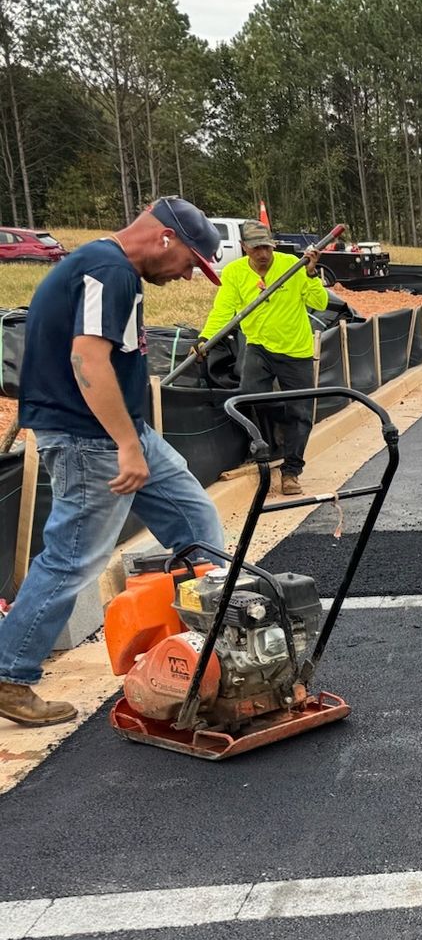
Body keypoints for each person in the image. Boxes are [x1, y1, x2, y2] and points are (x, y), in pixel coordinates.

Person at [0, 197, 226, 727]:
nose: (189, 277)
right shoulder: (110, 270)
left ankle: (207, 648)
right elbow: (87, 358)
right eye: (191, 263)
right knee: (74, 556)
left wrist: (133, 437)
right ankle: (10, 673)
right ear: (165, 239)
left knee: (197, 523)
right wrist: (126, 444)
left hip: (121, 431)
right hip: (90, 439)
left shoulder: (107, 268)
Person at [198, 221, 328, 496]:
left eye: (267, 247)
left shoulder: (292, 265)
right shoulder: (234, 273)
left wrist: (311, 273)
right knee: (248, 397)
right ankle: (265, 444)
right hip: (258, 346)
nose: (263, 254)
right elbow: (223, 310)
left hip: (296, 350)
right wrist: (205, 339)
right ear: (245, 247)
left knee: (301, 411)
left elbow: (320, 303)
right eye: (256, 248)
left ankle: (291, 470)